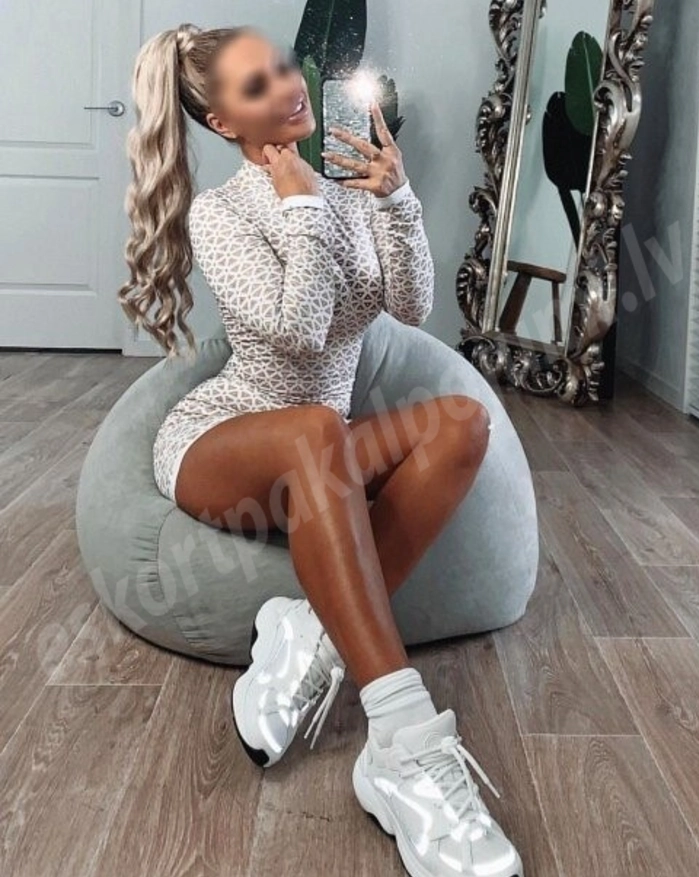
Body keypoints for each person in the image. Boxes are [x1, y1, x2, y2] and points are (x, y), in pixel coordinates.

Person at [118, 21, 523, 877]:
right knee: (313, 427)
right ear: (224, 122)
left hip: (321, 455)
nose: (287, 85)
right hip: (223, 444)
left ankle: (310, 626)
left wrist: (396, 200)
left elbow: (411, 306)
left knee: (462, 422)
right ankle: (404, 740)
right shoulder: (221, 214)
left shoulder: (350, 192)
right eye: (256, 85)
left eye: (280, 66)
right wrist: (301, 205)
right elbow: (298, 332)